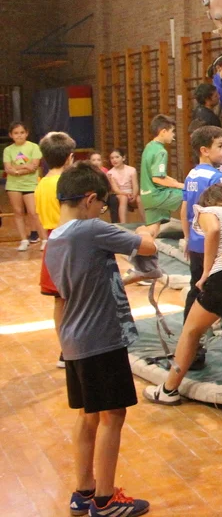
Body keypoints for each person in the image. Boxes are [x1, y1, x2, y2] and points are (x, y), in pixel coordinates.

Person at [46, 162, 158, 517]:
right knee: (114, 415)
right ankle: (106, 500)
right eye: (102, 204)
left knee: (89, 414)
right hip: (101, 339)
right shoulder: (90, 229)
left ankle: (84, 491)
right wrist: (147, 228)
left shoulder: (55, 237)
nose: (102, 211)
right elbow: (147, 246)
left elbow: (76, 291)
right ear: (90, 199)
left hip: (74, 340)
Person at [144, 184, 222, 405]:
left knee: (190, 331)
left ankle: (169, 389)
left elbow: (213, 231)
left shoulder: (206, 210)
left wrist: (206, 271)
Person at [179, 126, 222, 372]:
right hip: (212, 246)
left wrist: (188, 238)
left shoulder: (191, 175)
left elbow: (184, 209)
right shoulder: (216, 177)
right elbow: (219, 217)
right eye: (220, 146)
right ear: (204, 150)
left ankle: (190, 348)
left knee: (195, 290)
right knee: (212, 292)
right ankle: (195, 347)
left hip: (197, 244)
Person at [36, 131, 77, 369]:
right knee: (76, 299)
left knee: (59, 301)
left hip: (52, 241)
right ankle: (77, 348)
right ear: (70, 157)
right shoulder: (66, 183)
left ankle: (66, 351)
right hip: (69, 241)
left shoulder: (41, 184)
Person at [140, 114, 185, 237]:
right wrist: (180, 185)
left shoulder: (149, 147)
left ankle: (136, 240)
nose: (173, 135)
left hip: (146, 195)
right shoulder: (161, 151)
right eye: (172, 132)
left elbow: (155, 174)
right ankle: (190, 233)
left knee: (152, 231)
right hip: (157, 195)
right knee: (190, 193)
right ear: (163, 131)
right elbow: (157, 178)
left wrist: (172, 181)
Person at [4, 121, 43, 250]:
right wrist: (25, 166)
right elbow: (8, 168)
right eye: (16, 133)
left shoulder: (34, 147)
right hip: (13, 185)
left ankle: (43, 239)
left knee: (33, 212)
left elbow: (34, 166)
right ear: (11, 135)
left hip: (31, 184)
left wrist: (16, 169)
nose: (19, 135)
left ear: (27, 133)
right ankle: (24, 240)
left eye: (22, 132)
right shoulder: (8, 150)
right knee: (18, 212)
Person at [107, 149, 141, 224]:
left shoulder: (132, 170)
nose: (114, 160)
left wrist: (134, 195)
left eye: (117, 157)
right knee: (124, 198)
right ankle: (123, 224)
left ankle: (147, 223)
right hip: (120, 194)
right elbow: (115, 189)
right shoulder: (110, 173)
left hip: (131, 193)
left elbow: (135, 185)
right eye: (112, 158)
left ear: (123, 158)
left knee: (139, 199)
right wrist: (126, 194)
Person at [86, 152, 119, 223]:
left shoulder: (106, 171)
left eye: (98, 160)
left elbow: (109, 187)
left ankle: (115, 222)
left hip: (104, 194)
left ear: (102, 161)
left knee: (114, 199)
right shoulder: (87, 172)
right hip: (92, 195)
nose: (96, 162)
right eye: (93, 160)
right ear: (89, 161)